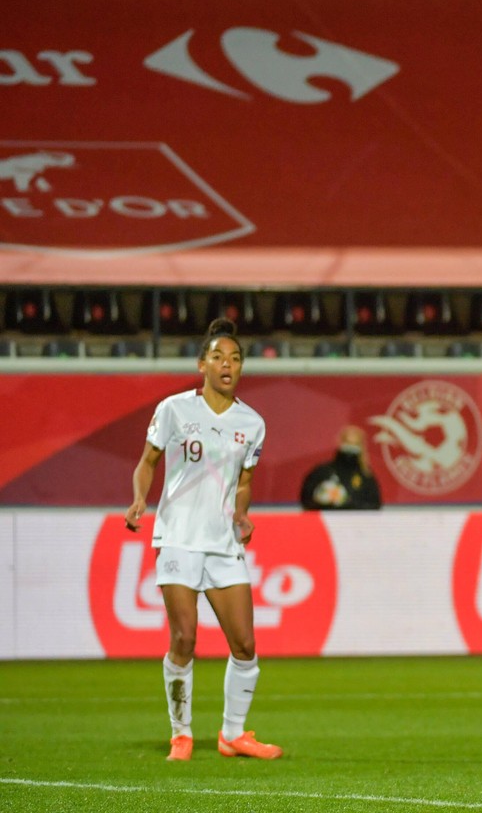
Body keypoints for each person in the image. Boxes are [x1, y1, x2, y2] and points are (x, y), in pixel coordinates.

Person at [124, 318, 283, 761]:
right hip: (177, 537)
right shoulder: (175, 409)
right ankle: (181, 733)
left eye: (234, 358)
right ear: (202, 364)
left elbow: (244, 480)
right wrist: (139, 499)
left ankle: (233, 735)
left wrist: (242, 513)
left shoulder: (252, 423)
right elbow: (147, 461)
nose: (227, 364)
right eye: (218, 357)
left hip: (222, 543)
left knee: (246, 645)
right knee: (184, 638)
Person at [299, 425, 382, 510]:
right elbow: (306, 500)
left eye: (355, 444)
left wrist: (349, 504)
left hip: (355, 522)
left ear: (361, 446)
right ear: (340, 442)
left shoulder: (366, 476)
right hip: (325, 521)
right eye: (348, 442)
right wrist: (326, 503)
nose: (351, 447)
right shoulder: (322, 472)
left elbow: (375, 505)